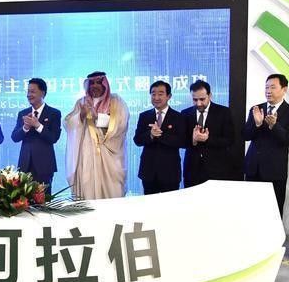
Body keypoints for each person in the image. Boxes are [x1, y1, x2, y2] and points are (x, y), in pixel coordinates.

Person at [64, 71, 129, 199]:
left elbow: (121, 124)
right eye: (92, 83)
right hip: (86, 154)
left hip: (110, 156)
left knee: (112, 190)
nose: (95, 86)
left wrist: (98, 117)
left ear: (105, 84)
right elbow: (68, 123)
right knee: (87, 185)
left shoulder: (116, 102)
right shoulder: (82, 102)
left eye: (98, 82)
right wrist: (81, 115)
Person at [243, 74, 289, 217]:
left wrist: (274, 126)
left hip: (275, 171)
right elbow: (246, 135)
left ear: (284, 89)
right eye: (266, 87)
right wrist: (257, 124)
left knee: (273, 213)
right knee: (251, 211)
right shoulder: (256, 108)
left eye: (273, 87)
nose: (268, 91)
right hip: (253, 169)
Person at [133, 80, 185, 194]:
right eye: (153, 94)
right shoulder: (144, 116)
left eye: (160, 94)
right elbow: (137, 140)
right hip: (148, 171)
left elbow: (182, 141)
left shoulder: (178, 117)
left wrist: (160, 135)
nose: (156, 97)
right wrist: (150, 135)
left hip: (170, 172)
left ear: (169, 96)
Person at [11, 78, 61, 193]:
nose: (29, 95)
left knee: (44, 199)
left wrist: (38, 125)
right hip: (25, 165)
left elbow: (53, 138)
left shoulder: (54, 113)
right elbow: (15, 137)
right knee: (24, 200)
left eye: (32, 91)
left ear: (42, 93)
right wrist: (25, 127)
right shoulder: (23, 113)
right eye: (28, 91)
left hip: (45, 165)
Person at [181, 80, 234, 187]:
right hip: (192, 169)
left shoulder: (224, 112)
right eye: (195, 100)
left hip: (216, 169)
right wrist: (193, 140)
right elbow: (181, 141)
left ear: (210, 96)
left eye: (202, 99)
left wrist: (207, 139)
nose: (198, 103)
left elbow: (230, 140)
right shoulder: (185, 113)